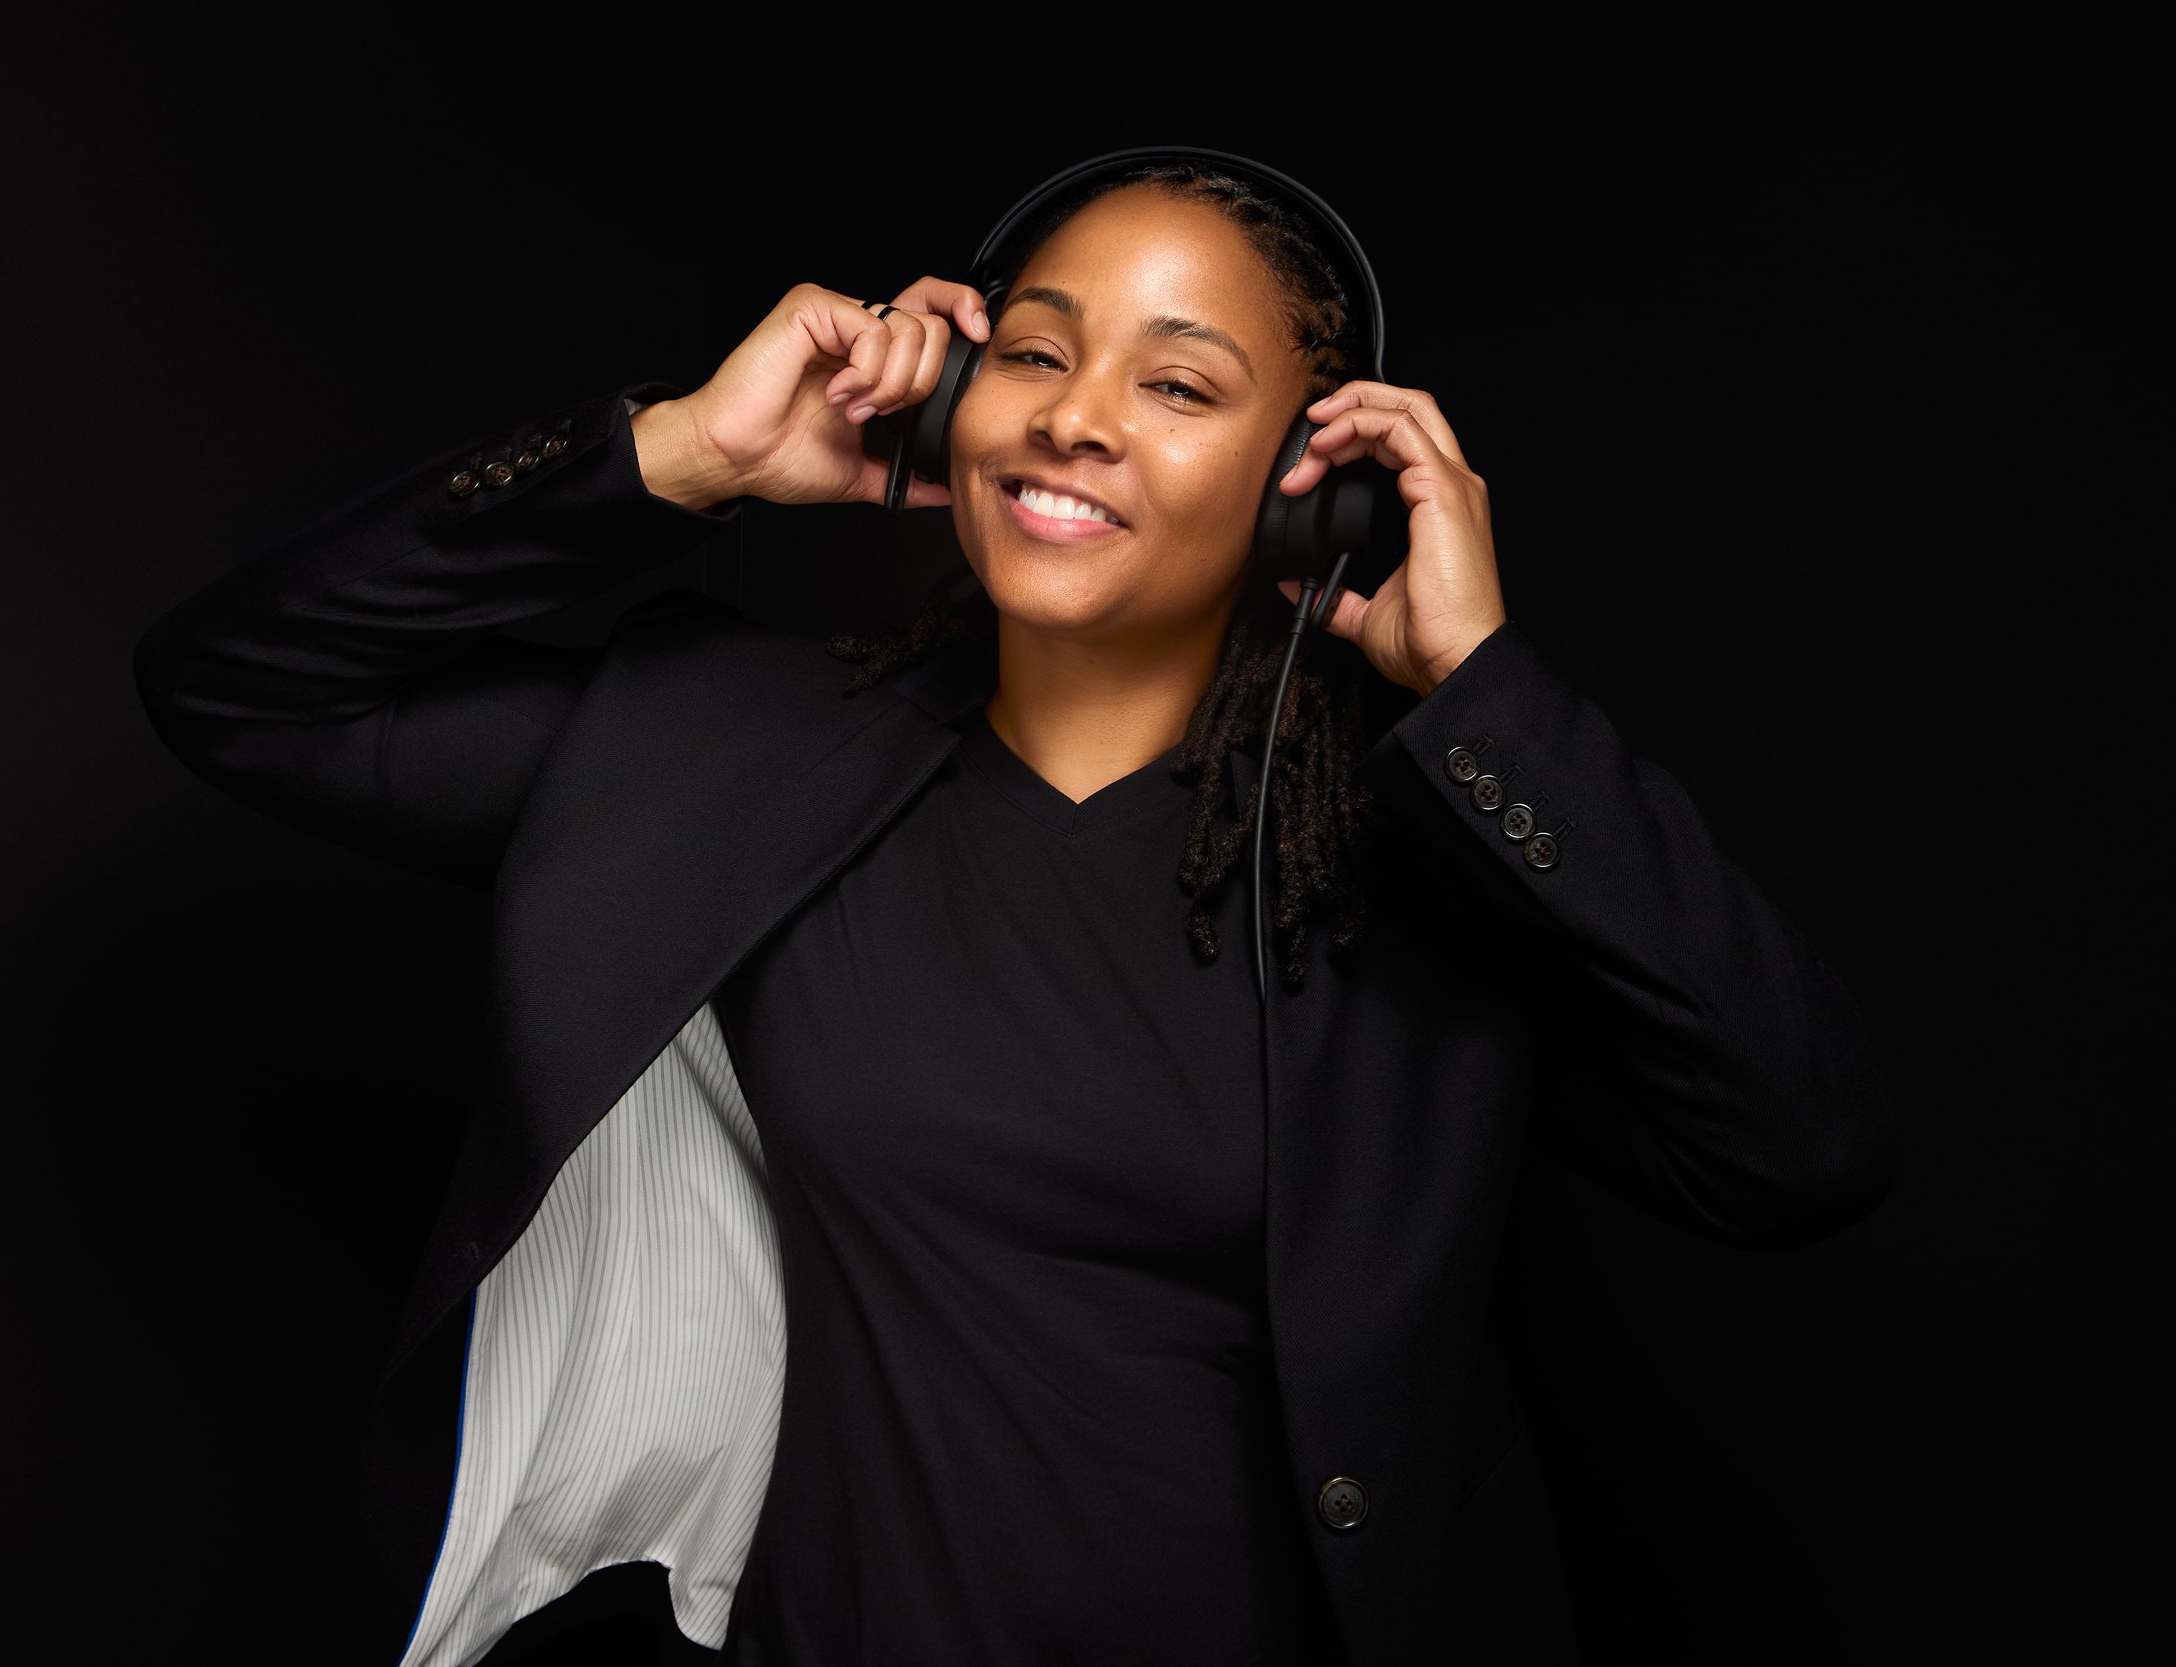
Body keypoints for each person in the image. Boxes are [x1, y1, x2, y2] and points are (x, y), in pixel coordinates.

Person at [132, 151, 1897, 1667]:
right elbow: (246, 690)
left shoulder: (1413, 863)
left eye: (1181, 386)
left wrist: (1485, 693)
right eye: (1035, 353)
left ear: (1319, 485)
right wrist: (678, 458)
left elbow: (1800, 1142)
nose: (1074, 413)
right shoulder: (722, 755)